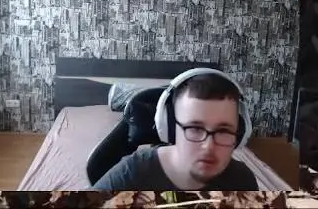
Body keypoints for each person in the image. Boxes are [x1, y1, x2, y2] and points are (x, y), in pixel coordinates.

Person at [92, 72, 258, 190]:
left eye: (223, 131)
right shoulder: (130, 175)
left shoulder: (242, 180)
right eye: (195, 128)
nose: (208, 146)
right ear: (170, 129)